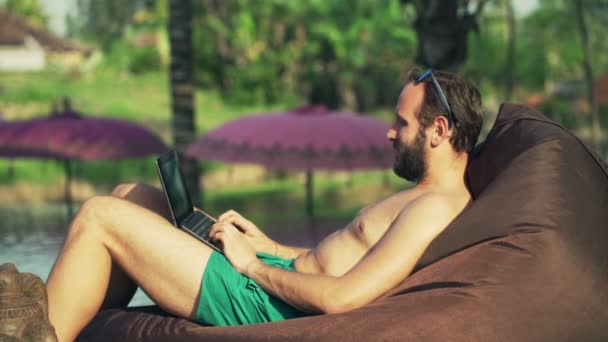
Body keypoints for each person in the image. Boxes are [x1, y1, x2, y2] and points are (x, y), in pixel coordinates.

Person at [45, 69, 483, 342]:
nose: (389, 133)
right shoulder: (424, 194)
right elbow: (335, 261)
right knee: (130, 195)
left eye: (401, 123)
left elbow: (342, 297)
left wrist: (252, 267)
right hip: (279, 278)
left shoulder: (436, 207)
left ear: (438, 129)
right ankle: (82, 321)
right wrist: (266, 244)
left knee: (99, 216)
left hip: (267, 304)